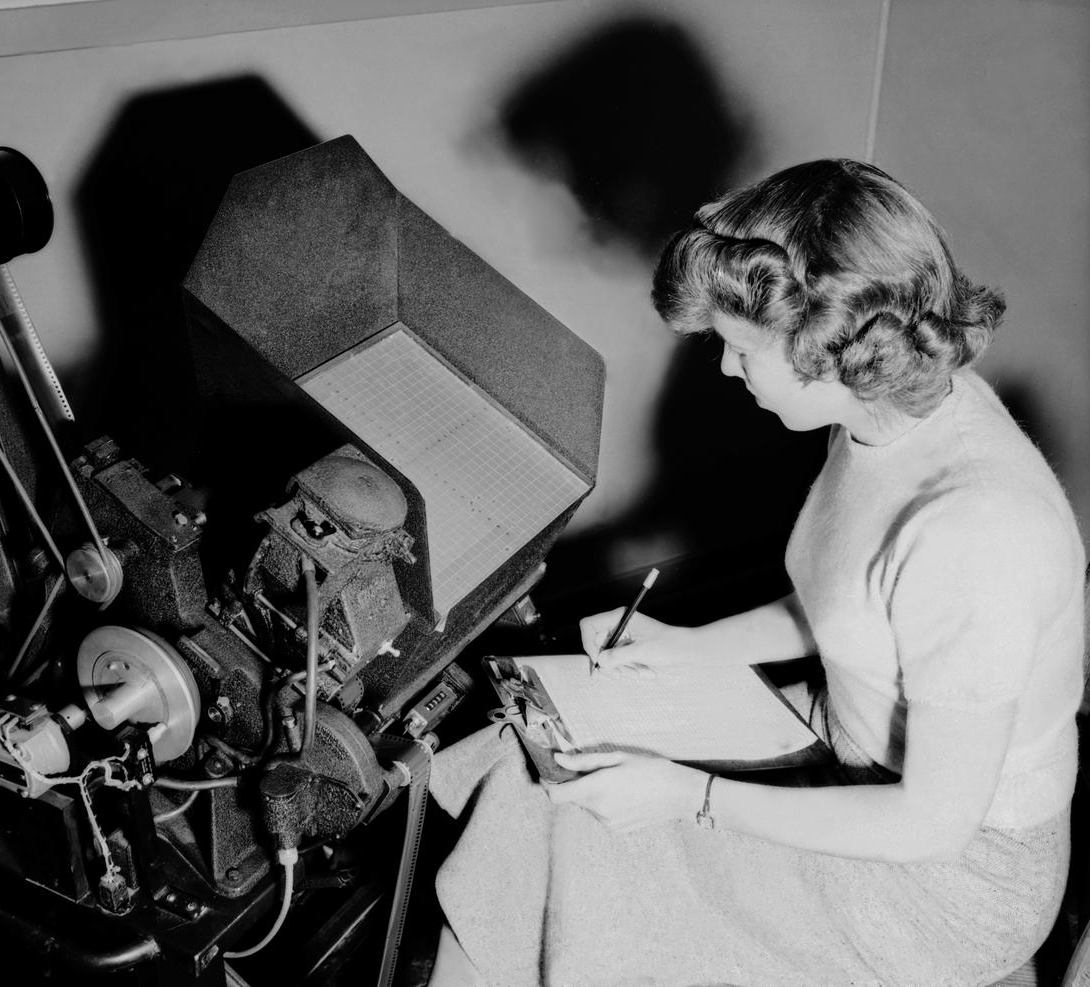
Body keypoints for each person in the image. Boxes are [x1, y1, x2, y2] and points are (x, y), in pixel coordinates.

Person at [427, 159, 1086, 986]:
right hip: (850, 741)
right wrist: (681, 648)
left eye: (742, 348)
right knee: (542, 766)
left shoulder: (978, 533)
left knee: (596, 833)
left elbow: (931, 825)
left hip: (945, 885)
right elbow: (845, 609)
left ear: (835, 348)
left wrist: (689, 796)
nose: (728, 370)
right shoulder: (888, 415)